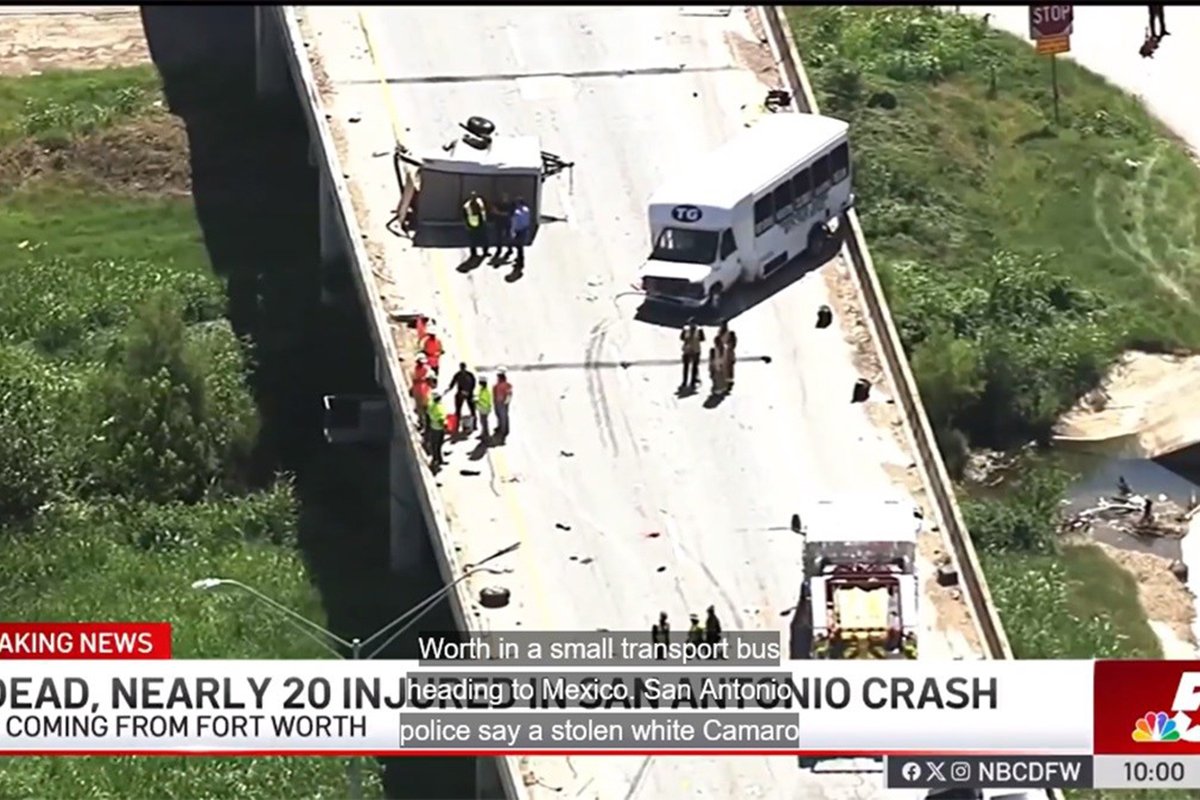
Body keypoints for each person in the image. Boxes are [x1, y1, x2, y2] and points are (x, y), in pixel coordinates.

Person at [449, 362, 477, 430]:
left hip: (463, 393)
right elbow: (474, 383)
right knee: (471, 410)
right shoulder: (469, 374)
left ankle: (457, 425)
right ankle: (474, 425)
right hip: (468, 393)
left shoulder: (458, 374)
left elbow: (452, 384)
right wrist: (470, 391)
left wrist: (450, 388)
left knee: (460, 410)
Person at [462, 191, 489, 259]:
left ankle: (485, 251)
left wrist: (484, 221)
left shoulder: (479, 202)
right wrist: (467, 224)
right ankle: (474, 253)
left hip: (480, 222)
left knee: (483, 238)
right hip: (472, 222)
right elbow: (465, 216)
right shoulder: (467, 205)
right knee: (473, 239)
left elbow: (483, 212)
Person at [680, 320, 704, 389]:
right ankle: (685, 381)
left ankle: (693, 381)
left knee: (694, 367)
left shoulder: (699, 331)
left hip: (696, 350)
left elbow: (702, 339)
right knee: (686, 367)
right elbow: (681, 338)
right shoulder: (686, 330)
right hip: (687, 350)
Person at [426, 393, 447, 471]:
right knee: (438, 445)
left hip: (434, 428)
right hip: (439, 429)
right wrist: (445, 426)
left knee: (436, 446)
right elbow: (440, 419)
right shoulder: (438, 407)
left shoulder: (431, 405)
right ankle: (437, 461)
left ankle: (438, 460)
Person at [510, 197, 532, 270]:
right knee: (520, 246)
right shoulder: (526, 210)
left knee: (519, 247)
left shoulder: (516, 212)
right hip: (525, 229)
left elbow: (514, 223)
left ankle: (520, 261)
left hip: (518, 231)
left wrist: (512, 231)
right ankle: (520, 259)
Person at [715, 321, 738, 390]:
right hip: (722, 354)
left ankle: (728, 383)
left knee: (728, 369)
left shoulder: (730, 335)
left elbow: (733, 344)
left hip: (728, 355)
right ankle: (723, 383)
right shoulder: (719, 336)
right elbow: (717, 344)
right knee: (722, 369)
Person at [492, 193, 514, 261]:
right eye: (502, 198)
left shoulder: (509, 205)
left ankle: (510, 249)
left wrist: (499, 213)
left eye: (504, 198)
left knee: (508, 236)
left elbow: (509, 214)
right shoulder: (497, 204)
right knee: (499, 237)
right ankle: (499, 249)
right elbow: (494, 211)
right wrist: (498, 213)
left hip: (507, 223)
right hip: (499, 223)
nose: (503, 199)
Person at [493, 369, 513, 440]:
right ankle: (500, 427)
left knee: (503, 417)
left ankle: (503, 430)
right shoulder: (497, 385)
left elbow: (509, 394)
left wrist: (506, 402)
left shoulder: (507, 385)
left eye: (499, 377)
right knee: (498, 415)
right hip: (497, 402)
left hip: (503, 403)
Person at [475, 377, 494, 444]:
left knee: (484, 422)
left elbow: (485, 401)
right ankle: (483, 434)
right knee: (482, 422)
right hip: (482, 408)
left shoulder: (485, 391)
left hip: (484, 409)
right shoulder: (482, 390)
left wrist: (477, 402)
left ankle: (486, 436)